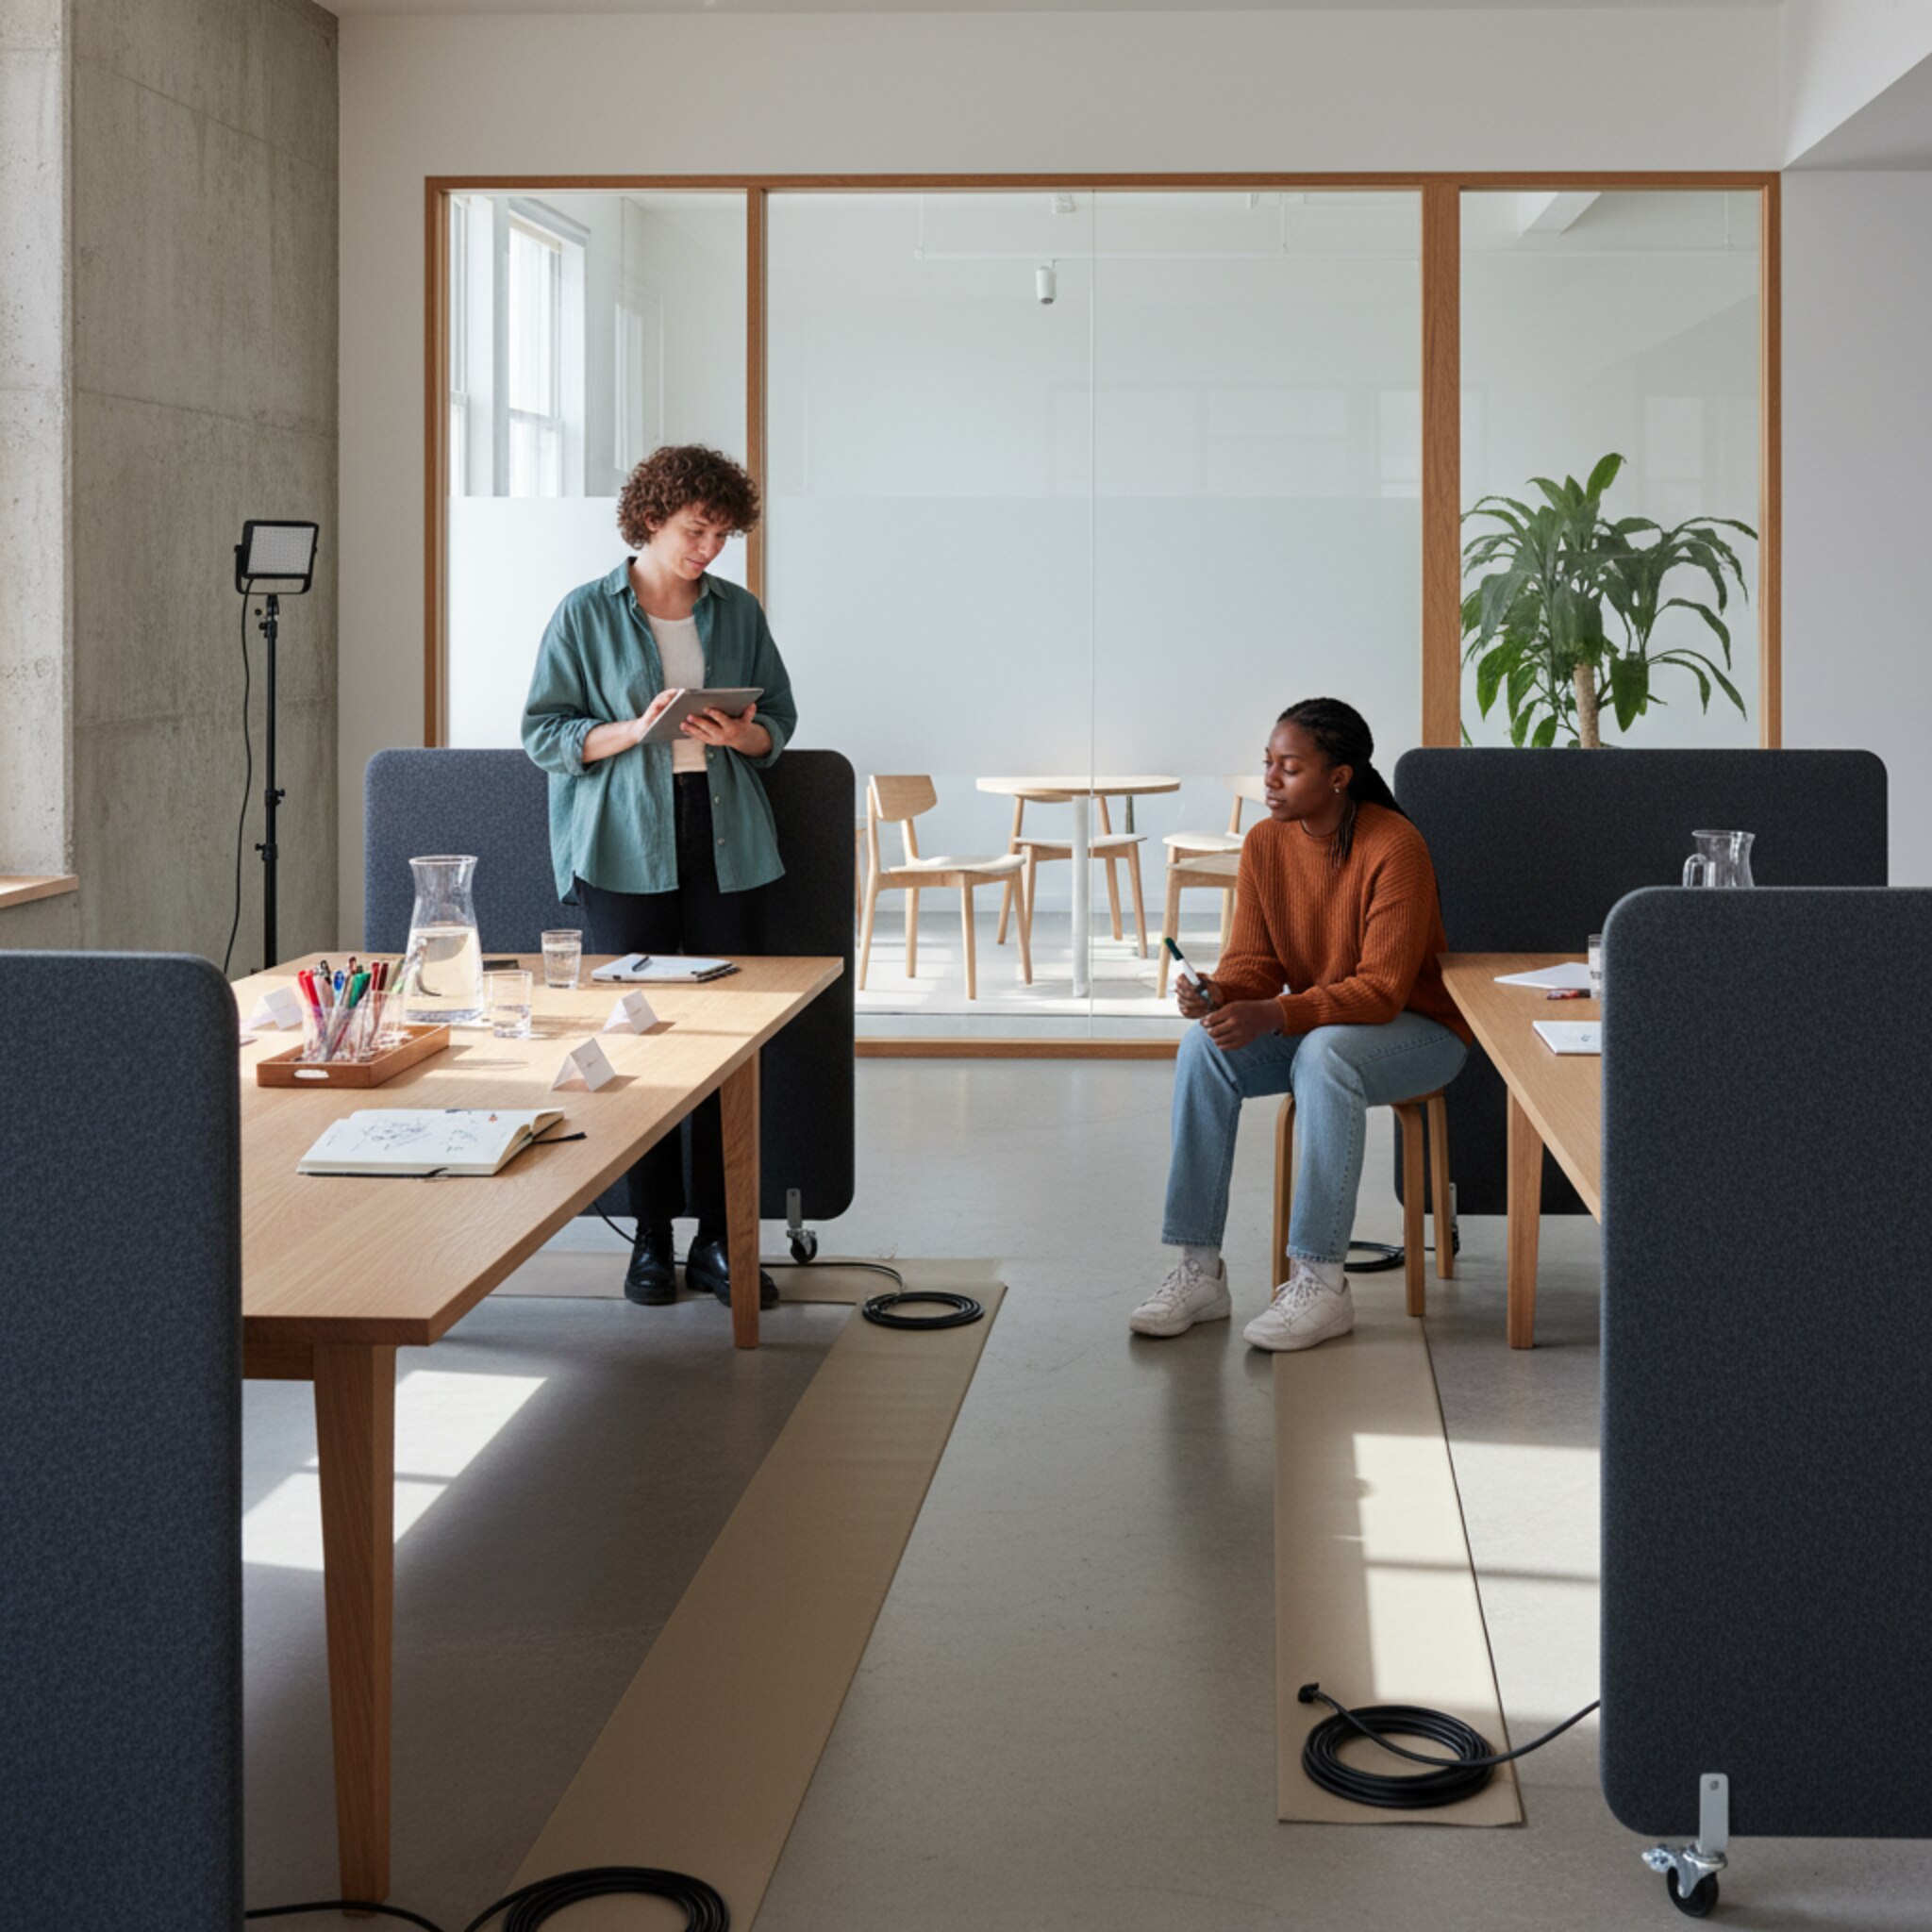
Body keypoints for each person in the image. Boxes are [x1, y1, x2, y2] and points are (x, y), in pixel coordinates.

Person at [522, 444, 796, 1311]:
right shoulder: (584, 613)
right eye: (695, 529)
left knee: (724, 1043)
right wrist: (629, 732)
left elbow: (778, 721)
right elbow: (544, 735)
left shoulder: (738, 611)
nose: (709, 547)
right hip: (620, 840)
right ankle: (649, 1238)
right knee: (635, 1042)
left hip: (725, 836)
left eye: (722, 533)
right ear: (651, 519)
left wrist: (736, 736)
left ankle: (722, 1239)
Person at [1130, 697, 1472, 1352]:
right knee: (1204, 1051)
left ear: (1338, 777)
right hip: (1325, 1027)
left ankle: (1321, 1280)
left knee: (1323, 1054)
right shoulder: (1264, 844)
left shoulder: (1395, 846)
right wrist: (1219, 993)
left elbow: (1379, 991)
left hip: (1421, 1031)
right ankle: (1198, 1272)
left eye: (1289, 767)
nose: (1270, 780)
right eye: (1268, 765)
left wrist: (1273, 1013)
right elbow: (1255, 966)